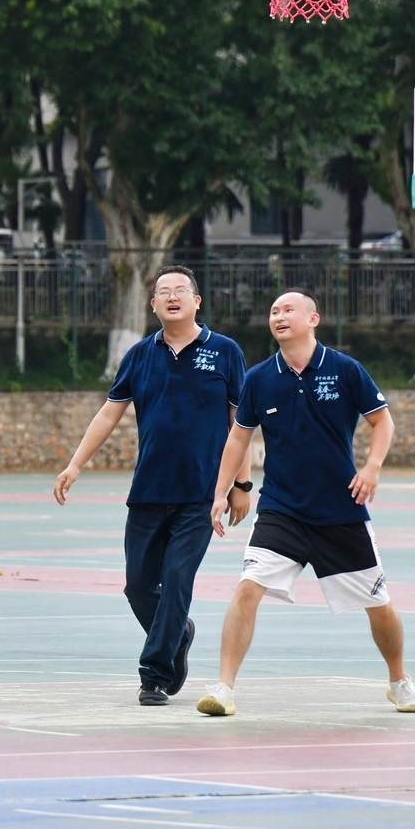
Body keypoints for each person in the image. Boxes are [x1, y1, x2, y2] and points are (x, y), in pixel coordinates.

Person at [197, 291, 415, 718]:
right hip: (281, 509)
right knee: (247, 588)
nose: (279, 317)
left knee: (378, 603)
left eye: (288, 310)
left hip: (341, 509)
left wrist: (372, 467)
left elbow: (383, 421)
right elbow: (238, 438)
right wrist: (221, 491)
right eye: (273, 311)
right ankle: (224, 688)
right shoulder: (259, 378)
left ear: (313, 318)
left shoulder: (344, 369)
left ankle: (399, 680)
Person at [54, 266, 250, 705]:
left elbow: (240, 422)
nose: (172, 297)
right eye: (164, 292)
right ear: (153, 305)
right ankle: (178, 633)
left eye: (181, 290)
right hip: (148, 491)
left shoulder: (225, 351)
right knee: (138, 587)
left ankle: (155, 675)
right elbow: (109, 412)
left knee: (177, 580)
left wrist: (241, 484)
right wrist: (75, 464)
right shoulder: (140, 355)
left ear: (197, 301)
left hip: (201, 493)